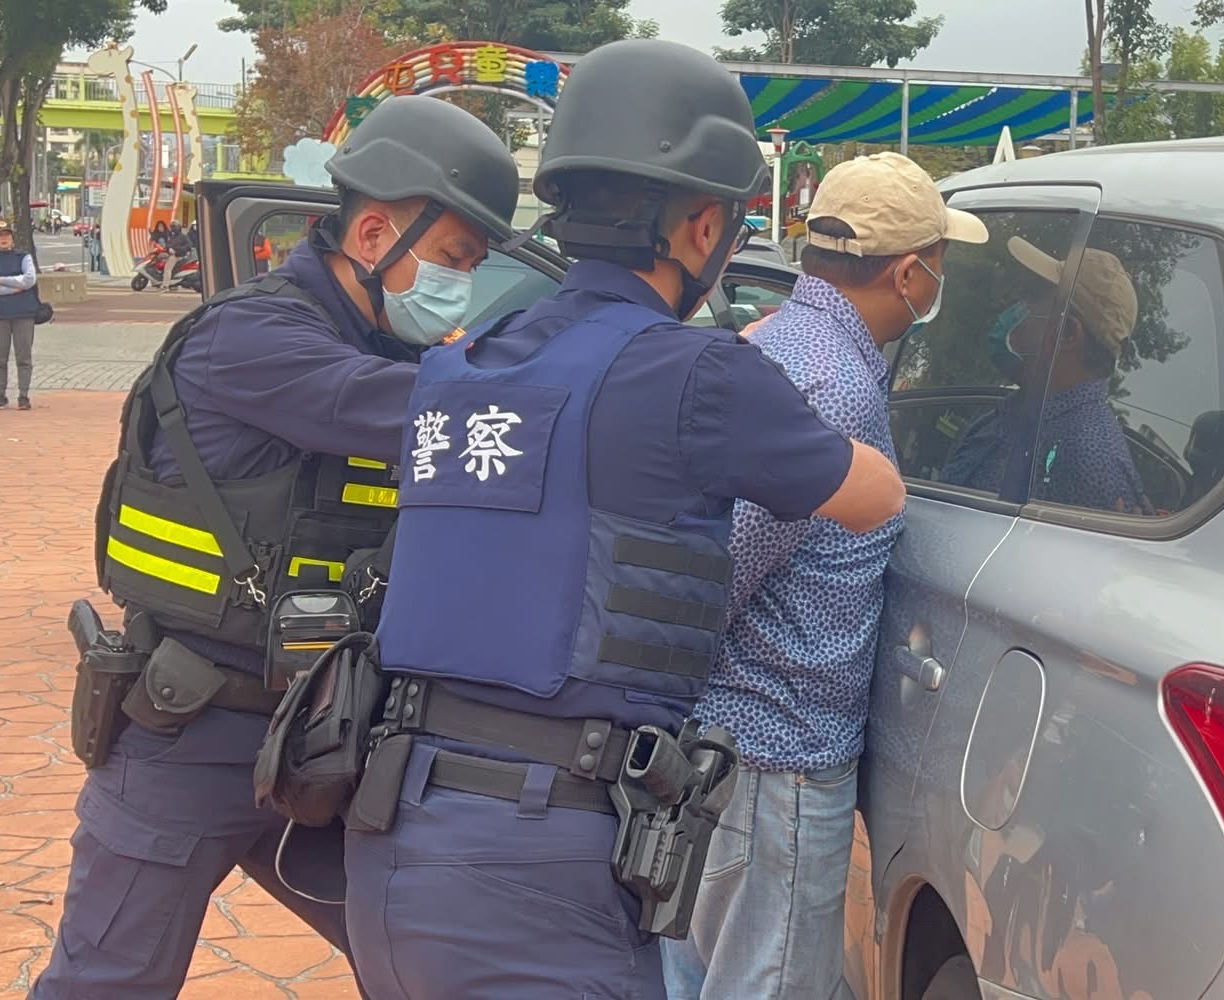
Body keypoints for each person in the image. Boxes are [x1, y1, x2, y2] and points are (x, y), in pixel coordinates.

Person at [341, 38, 906, 1000]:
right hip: (546, 859)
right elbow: (874, 495)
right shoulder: (700, 371)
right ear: (703, 225)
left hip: (395, 838)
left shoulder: (461, 364)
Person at [32, 94, 521, 999]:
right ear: (372, 233)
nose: (462, 283)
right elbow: (404, 411)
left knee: (433, 966)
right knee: (108, 980)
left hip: (330, 733)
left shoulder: (388, 343)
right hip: (191, 724)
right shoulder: (251, 336)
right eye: (455, 259)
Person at [662, 152, 988, 1000]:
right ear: (908, 274)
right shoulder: (831, 387)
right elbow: (720, 573)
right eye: (938, 266)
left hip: (723, 751)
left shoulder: (772, 341)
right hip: (775, 763)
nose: (937, 285)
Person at [942, 238, 1152, 514]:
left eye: (1033, 300)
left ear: (1067, 333)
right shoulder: (1024, 411)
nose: (1017, 310)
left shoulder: (1089, 459)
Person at [0, 219, 40, 410]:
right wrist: (13, 288)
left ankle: (23, 395)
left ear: (12, 238)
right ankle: (0, 395)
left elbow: (29, 280)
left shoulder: (23, 257)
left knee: (23, 357)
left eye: (7, 235)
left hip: (23, 313)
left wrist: (0, 280)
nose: (4, 238)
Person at [162, 220, 195, 290]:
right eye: (172, 227)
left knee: (167, 268)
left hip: (178, 256)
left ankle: (165, 285)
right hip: (170, 254)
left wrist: (176, 250)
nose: (173, 228)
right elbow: (167, 245)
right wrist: (169, 248)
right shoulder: (172, 236)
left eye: (174, 227)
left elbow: (188, 246)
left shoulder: (183, 237)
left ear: (179, 227)